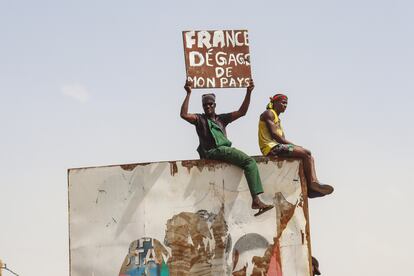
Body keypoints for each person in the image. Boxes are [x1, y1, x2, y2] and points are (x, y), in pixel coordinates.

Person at [180, 79, 273, 216]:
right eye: (205, 105)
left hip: (222, 151)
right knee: (249, 162)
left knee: (246, 162)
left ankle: (256, 200)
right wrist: (188, 93)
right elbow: (183, 115)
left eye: (210, 104)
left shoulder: (221, 119)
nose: (208, 107)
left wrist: (248, 91)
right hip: (214, 151)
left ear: (215, 105)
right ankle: (256, 200)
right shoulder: (200, 119)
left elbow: (242, 112)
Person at [258, 94, 334, 198]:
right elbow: (276, 136)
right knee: (306, 152)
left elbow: (281, 138)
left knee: (309, 157)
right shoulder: (269, 114)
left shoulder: (277, 119)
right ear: (274, 103)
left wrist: (296, 148)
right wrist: (296, 146)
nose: (285, 105)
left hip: (277, 147)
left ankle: (310, 189)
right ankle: (313, 183)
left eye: (286, 103)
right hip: (271, 148)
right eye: (283, 102)